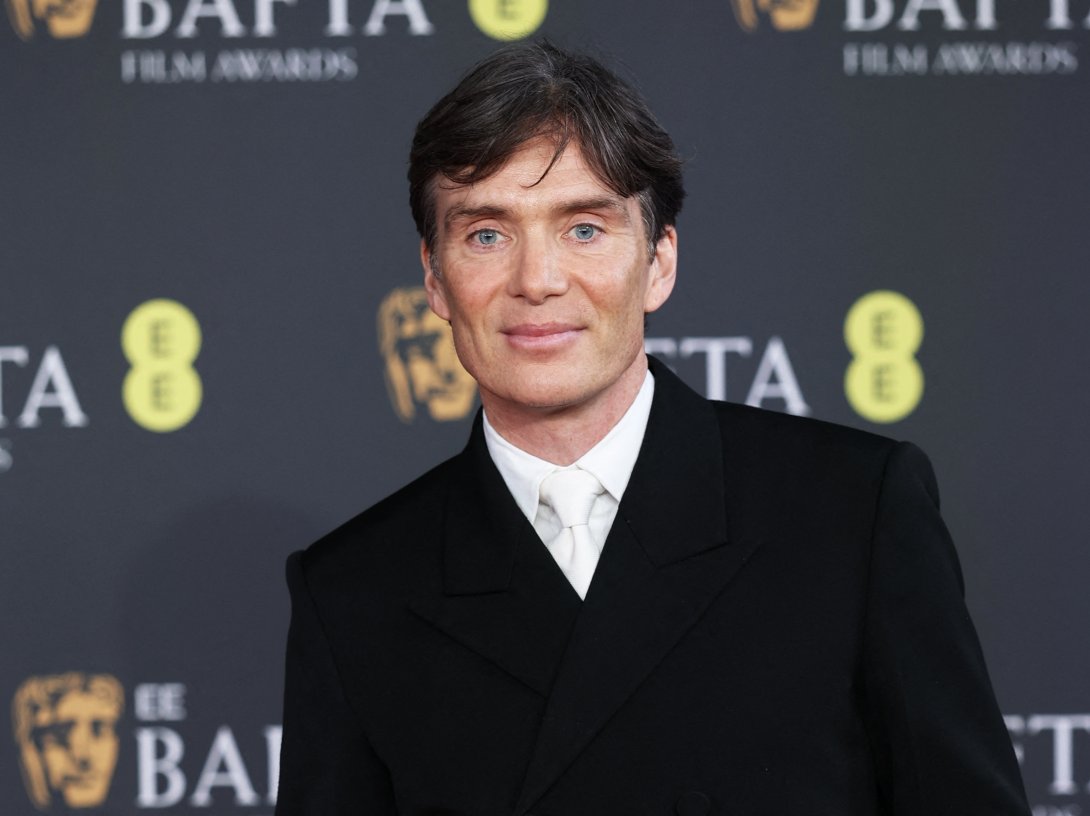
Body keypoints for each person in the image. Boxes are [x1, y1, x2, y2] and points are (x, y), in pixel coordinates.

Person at [276, 42, 1029, 815]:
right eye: (487, 235)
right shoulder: (352, 591)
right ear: (435, 278)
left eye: (585, 230)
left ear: (659, 262)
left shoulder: (852, 512)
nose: (537, 281)